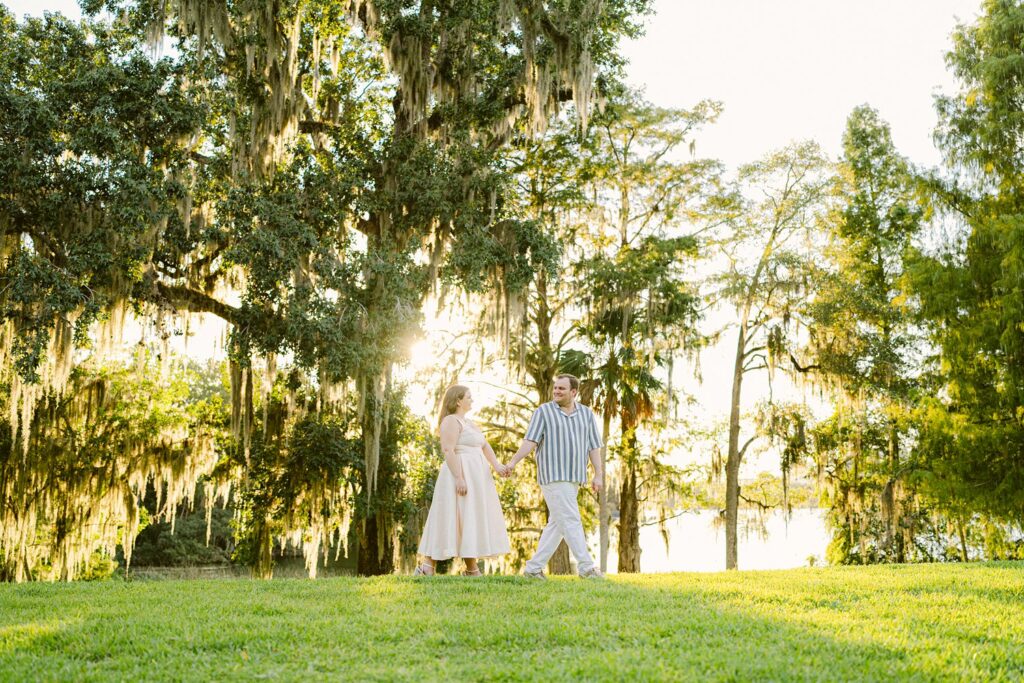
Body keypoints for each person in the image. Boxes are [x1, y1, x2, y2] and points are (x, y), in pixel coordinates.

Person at [503, 374, 604, 579]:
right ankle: (586, 567)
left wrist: (598, 474)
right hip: (553, 476)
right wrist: (513, 462)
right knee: (571, 519)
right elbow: (530, 441)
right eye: (555, 388)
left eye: (562, 389)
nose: (556, 391)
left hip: (574, 476)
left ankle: (533, 569)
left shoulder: (586, 414)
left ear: (574, 392)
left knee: (557, 525)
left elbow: (594, 446)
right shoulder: (544, 412)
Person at [414, 385, 511, 576]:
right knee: (449, 514)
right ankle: (427, 566)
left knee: (469, 516)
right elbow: (449, 450)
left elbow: (484, 445)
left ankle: (472, 569)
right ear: (458, 400)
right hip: (458, 473)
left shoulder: (470, 423)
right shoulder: (451, 421)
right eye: (469, 396)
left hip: (477, 476)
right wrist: (459, 477)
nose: (472, 399)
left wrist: (498, 466)